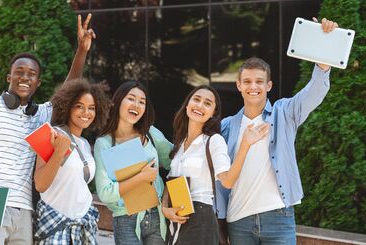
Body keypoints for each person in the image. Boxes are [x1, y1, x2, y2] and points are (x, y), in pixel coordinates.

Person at [0, 13, 96, 244]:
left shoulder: (41, 115)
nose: (25, 77)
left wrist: (82, 50)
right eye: (19, 72)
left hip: (24, 210)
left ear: (38, 83)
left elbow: (69, 88)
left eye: (31, 74)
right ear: (9, 77)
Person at [216, 18, 338, 245]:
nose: (254, 87)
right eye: (248, 81)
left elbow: (315, 91)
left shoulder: (285, 113)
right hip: (238, 220)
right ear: (239, 85)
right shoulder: (226, 126)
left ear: (268, 86)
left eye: (260, 81)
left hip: (279, 218)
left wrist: (325, 47)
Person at [161, 85, 269, 245]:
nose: (200, 105)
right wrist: (165, 209)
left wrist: (245, 144)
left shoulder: (213, 141)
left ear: (213, 113)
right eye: (196, 99)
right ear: (187, 104)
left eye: (207, 103)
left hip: (200, 219)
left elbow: (227, 181)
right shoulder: (180, 143)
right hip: (177, 220)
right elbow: (170, 182)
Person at [94, 81, 172, 245]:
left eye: (142, 102)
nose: (136, 105)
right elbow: (105, 192)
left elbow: (175, 161)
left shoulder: (150, 133)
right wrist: (142, 177)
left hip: (156, 215)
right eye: (131, 98)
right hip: (126, 219)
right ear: (118, 101)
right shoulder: (105, 143)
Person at [33, 79, 110, 244]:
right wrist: (59, 151)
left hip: (82, 226)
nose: (86, 112)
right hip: (56, 226)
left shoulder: (83, 144)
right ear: (67, 106)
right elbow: (40, 184)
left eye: (91, 108)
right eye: (79, 106)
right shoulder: (52, 135)